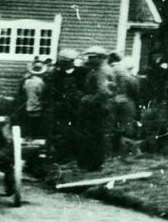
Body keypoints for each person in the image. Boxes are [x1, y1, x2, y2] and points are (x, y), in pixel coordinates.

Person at [73, 45, 115, 173]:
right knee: (97, 136)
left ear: (99, 58)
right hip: (103, 107)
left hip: (96, 108)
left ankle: (92, 165)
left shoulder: (100, 72)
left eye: (91, 57)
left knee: (91, 136)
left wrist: (86, 99)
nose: (89, 60)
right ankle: (95, 164)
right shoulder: (107, 69)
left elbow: (103, 92)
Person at [45, 48, 81, 163]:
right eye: (62, 61)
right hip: (59, 107)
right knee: (59, 132)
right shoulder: (56, 73)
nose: (64, 64)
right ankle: (59, 156)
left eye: (67, 61)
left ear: (72, 61)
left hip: (76, 107)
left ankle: (71, 155)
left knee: (73, 131)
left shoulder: (81, 72)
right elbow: (51, 90)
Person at [15, 58, 47, 140]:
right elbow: (41, 93)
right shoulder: (40, 81)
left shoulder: (27, 80)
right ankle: (35, 136)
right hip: (37, 103)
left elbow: (22, 92)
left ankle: (28, 136)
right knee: (36, 121)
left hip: (27, 103)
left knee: (28, 121)